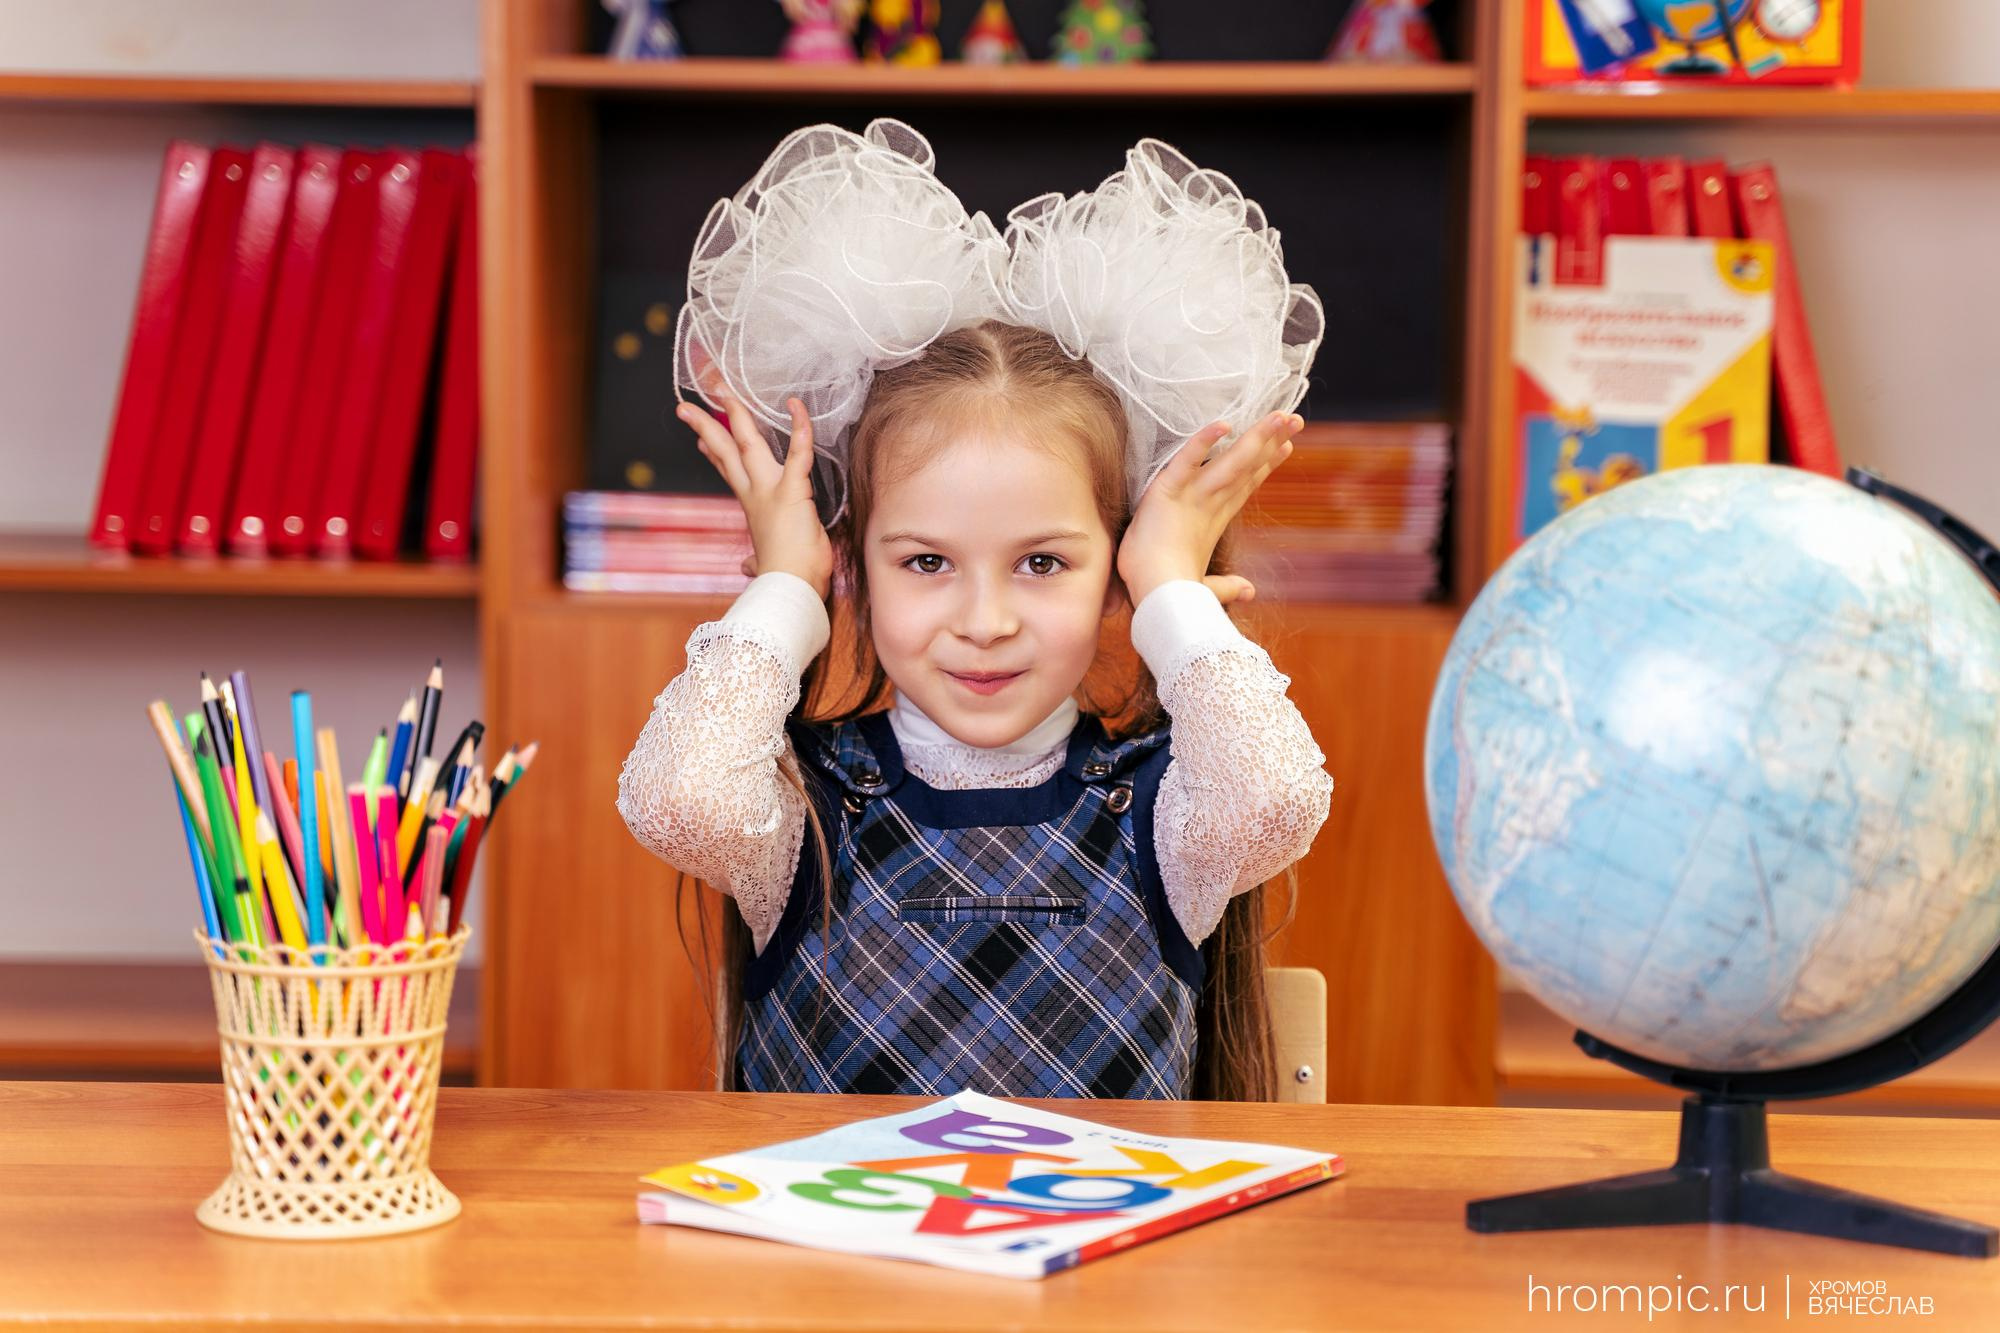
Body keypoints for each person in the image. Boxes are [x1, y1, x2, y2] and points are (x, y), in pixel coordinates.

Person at [617, 119, 1333, 1101]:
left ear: (1112, 572)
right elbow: (675, 796)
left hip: (1107, 1254)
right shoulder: (800, 813)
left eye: (1041, 561)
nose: (984, 619)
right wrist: (787, 581)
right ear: (854, 573)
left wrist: (1170, 583)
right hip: (829, 1260)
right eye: (925, 562)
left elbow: (1281, 798)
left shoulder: (1170, 813)